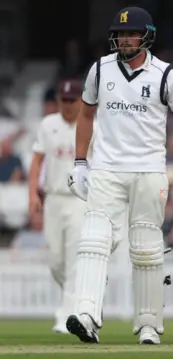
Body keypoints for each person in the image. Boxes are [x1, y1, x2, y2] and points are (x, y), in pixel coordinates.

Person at [66, 6, 173, 345]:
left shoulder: (165, 75)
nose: (126, 39)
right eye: (121, 33)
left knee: (146, 247)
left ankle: (148, 323)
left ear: (147, 37)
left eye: (132, 34)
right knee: (94, 240)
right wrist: (80, 162)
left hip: (148, 169)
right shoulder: (100, 70)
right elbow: (86, 116)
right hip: (106, 168)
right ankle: (86, 314)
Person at [28, 79, 86, 334]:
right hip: (53, 198)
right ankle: (81, 299)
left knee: (74, 257)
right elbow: (37, 161)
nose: (68, 106)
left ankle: (67, 315)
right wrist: (32, 194)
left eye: (72, 101)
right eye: (64, 101)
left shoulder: (91, 124)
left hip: (79, 199)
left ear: (81, 101)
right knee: (55, 260)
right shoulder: (48, 124)